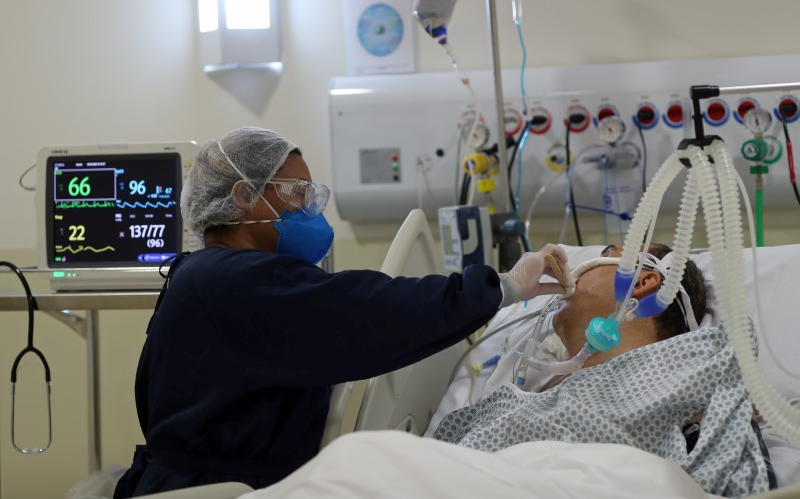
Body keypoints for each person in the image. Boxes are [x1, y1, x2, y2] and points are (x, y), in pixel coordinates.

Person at [113, 126, 573, 498]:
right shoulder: (233, 282)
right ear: (243, 197)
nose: (309, 209)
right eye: (296, 193)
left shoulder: (212, 276)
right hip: (213, 490)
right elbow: (373, 311)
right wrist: (506, 285)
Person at [433, 243, 775, 497]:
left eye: (610, 251)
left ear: (642, 283)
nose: (578, 268)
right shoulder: (537, 400)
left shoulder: (695, 391)